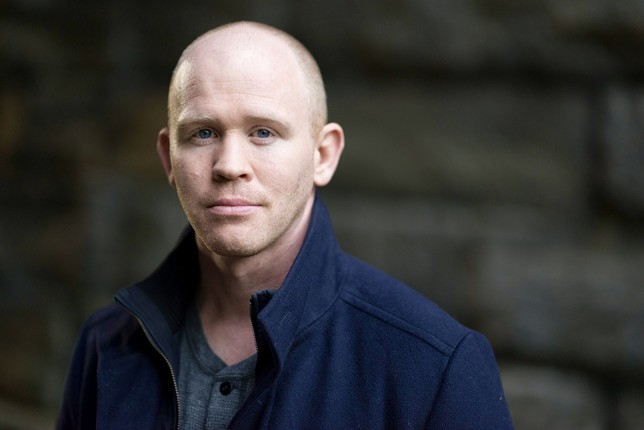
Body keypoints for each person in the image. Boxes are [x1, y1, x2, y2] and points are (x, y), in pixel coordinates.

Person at [57, 21, 514, 429]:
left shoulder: (434, 367)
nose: (229, 165)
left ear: (323, 155)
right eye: (203, 133)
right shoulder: (107, 343)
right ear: (168, 158)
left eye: (263, 132)